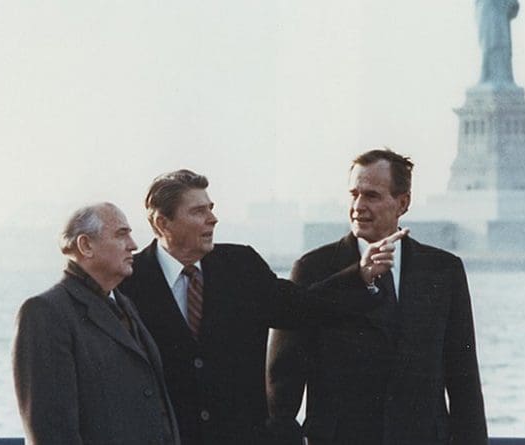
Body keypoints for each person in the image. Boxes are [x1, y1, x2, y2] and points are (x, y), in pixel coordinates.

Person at [119, 169, 402, 445]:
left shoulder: (241, 265)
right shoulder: (128, 284)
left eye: (211, 208)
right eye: (198, 212)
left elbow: (303, 307)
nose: (212, 219)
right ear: (162, 223)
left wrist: (361, 275)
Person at [266, 148, 488, 445]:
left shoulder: (443, 270)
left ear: (403, 202)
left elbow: (464, 381)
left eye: (371, 195)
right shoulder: (313, 270)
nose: (358, 206)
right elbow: (282, 382)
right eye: (353, 194)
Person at [12, 203, 180, 445]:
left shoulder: (125, 306)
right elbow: (52, 431)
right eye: (121, 234)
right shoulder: (46, 312)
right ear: (85, 245)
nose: (133, 245)